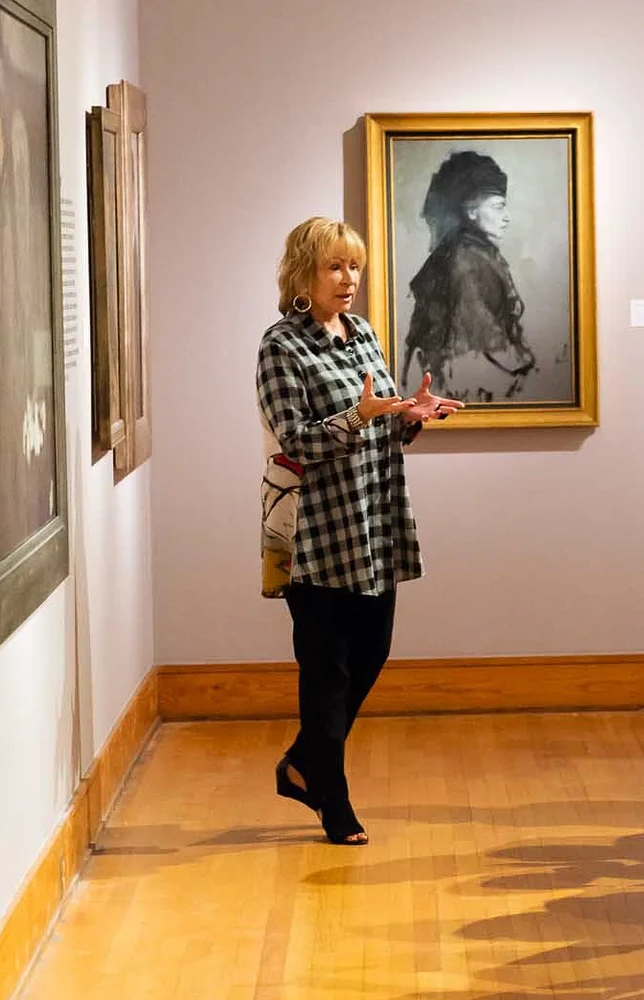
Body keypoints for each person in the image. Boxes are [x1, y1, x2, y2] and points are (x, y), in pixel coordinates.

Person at [258, 217, 464, 845]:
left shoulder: (363, 332)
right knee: (326, 670)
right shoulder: (280, 346)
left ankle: (303, 762)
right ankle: (333, 798)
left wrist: (411, 415)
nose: (348, 279)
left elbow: (382, 422)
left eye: (354, 267)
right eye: (334, 267)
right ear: (303, 274)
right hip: (315, 529)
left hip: (373, 518)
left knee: (371, 653)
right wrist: (357, 416)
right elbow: (295, 439)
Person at [404, 150, 537, 402]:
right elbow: (485, 340)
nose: (507, 217)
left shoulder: (469, 254)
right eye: (498, 207)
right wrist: (527, 365)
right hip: (468, 384)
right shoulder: (467, 262)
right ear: (471, 212)